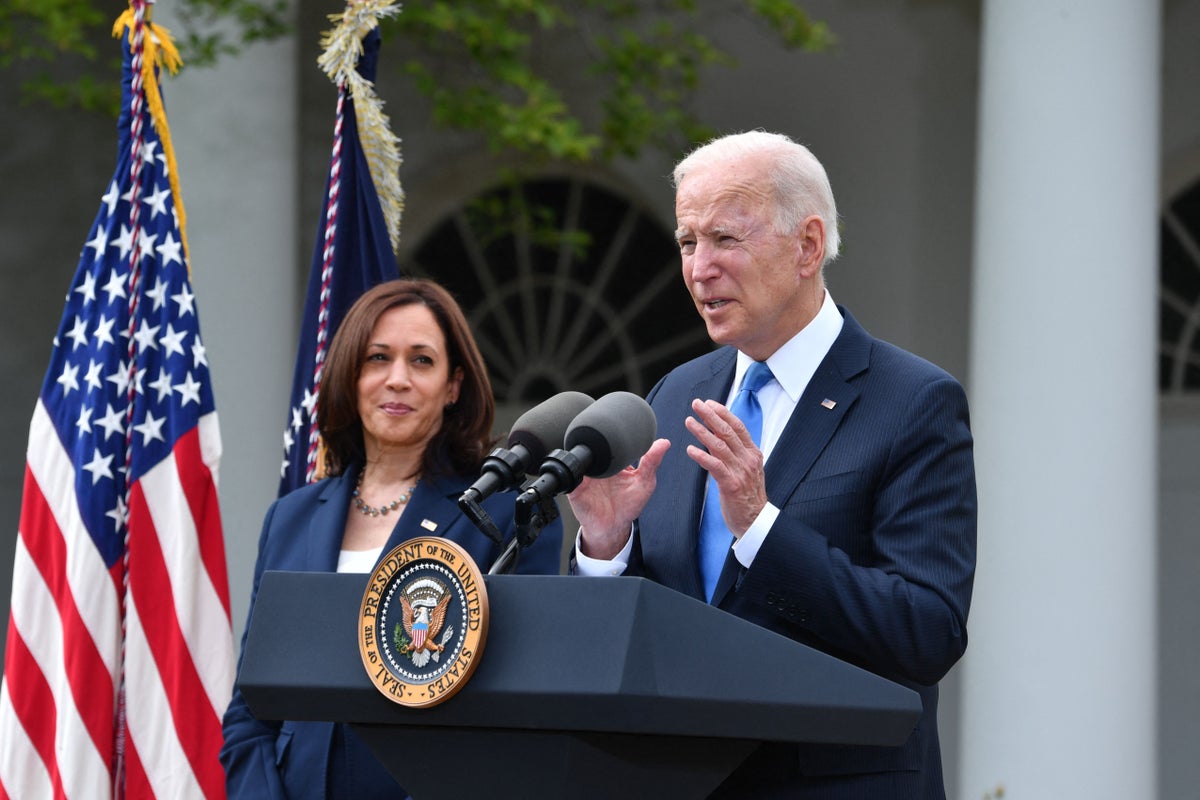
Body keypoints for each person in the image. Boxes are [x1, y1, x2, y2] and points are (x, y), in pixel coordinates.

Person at [568, 131, 976, 798]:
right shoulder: (674, 394)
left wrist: (761, 527)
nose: (700, 268)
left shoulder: (912, 402)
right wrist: (608, 545)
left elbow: (927, 631)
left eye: (725, 238)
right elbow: (644, 626)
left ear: (808, 246)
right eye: (687, 242)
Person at [220, 278, 564, 800]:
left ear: (453, 385)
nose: (397, 379)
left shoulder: (505, 513)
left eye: (422, 361)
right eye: (378, 358)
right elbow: (251, 712)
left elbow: (523, 713)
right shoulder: (290, 518)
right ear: (351, 375)